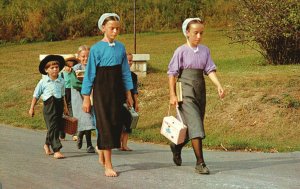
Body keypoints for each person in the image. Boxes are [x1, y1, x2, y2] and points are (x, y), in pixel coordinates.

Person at [167, 18, 225, 174]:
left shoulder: (205, 50)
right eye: (195, 33)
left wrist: (218, 85)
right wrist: (172, 95)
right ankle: (200, 162)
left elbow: (210, 69)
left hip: (200, 90)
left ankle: (176, 146)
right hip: (185, 90)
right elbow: (172, 74)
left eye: (201, 33)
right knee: (196, 125)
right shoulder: (180, 51)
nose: (199, 36)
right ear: (187, 32)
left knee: (190, 128)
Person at [81, 13, 133, 177]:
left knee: (115, 124)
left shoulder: (121, 47)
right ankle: (108, 165)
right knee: (105, 125)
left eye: (118, 28)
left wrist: (129, 94)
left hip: (117, 92)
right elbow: (89, 75)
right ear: (103, 28)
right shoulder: (96, 49)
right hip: (102, 92)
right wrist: (86, 98)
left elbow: (125, 72)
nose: (115, 31)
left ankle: (103, 151)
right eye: (112, 28)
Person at [29, 55, 68, 159]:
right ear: (46, 70)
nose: (55, 69)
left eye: (56, 67)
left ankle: (47, 144)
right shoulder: (43, 82)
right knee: (52, 126)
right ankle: (57, 150)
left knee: (55, 126)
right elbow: (35, 95)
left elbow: (63, 95)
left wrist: (65, 107)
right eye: (52, 68)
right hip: (48, 106)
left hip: (59, 104)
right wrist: (32, 108)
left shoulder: (61, 81)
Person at [70, 45, 96, 153]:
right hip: (79, 97)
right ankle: (88, 143)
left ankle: (81, 135)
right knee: (85, 117)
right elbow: (74, 83)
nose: (86, 59)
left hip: (91, 96)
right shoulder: (76, 69)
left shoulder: (93, 68)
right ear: (79, 57)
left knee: (88, 118)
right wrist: (87, 85)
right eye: (83, 56)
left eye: (88, 56)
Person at [120, 53, 139, 151]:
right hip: (120, 100)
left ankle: (125, 144)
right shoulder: (119, 74)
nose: (129, 62)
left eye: (131, 60)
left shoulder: (133, 76)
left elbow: (135, 90)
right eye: (127, 60)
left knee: (128, 123)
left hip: (130, 101)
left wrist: (136, 102)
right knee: (120, 123)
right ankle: (118, 142)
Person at [59, 54, 78, 141]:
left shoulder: (74, 73)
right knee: (62, 113)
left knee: (72, 112)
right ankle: (62, 133)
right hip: (64, 93)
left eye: (72, 65)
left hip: (72, 91)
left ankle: (74, 133)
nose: (70, 67)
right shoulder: (61, 74)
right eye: (68, 65)